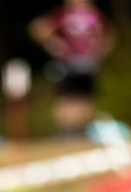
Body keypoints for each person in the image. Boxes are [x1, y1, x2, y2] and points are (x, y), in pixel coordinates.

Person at [30, 0, 116, 137]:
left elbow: (110, 33)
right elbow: (38, 28)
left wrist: (102, 50)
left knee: (86, 97)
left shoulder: (94, 15)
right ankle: (66, 131)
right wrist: (53, 45)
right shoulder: (62, 15)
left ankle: (83, 131)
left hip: (89, 63)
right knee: (67, 97)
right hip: (68, 63)